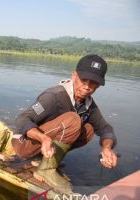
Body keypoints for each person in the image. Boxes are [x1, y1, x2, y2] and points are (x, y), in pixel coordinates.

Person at [12, 54, 118, 192]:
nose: (87, 87)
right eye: (83, 80)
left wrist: (107, 148)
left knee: (89, 129)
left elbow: (105, 129)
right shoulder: (54, 96)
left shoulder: (88, 105)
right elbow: (22, 119)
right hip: (23, 145)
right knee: (73, 120)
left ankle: (43, 160)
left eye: (93, 83)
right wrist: (43, 139)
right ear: (74, 76)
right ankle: (46, 169)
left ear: (99, 85)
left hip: (43, 149)